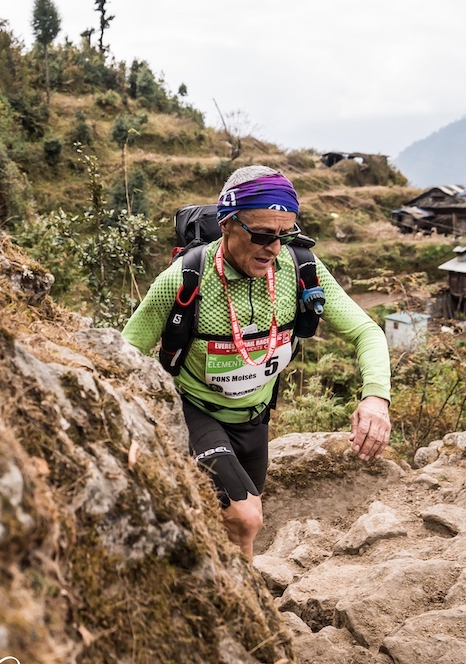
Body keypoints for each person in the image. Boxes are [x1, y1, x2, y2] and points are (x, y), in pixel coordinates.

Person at [121, 165, 392, 558]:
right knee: (245, 519)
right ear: (227, 224)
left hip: (255, 418)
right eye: (262, 234)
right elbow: (124, 353)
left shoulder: (301, 269)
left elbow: (367, 331)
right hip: (194, 411)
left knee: (236, 517)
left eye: (285, 235)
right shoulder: (184, 278)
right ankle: (241, 597)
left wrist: (376, 399)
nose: (274, 248)